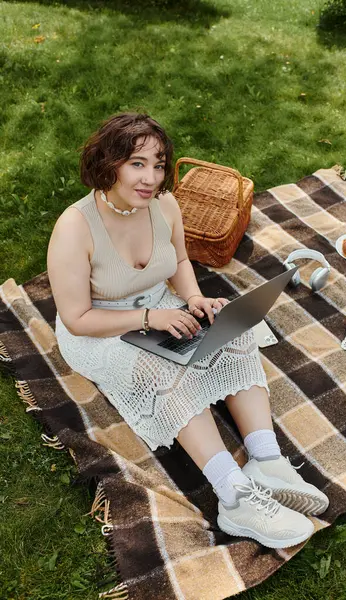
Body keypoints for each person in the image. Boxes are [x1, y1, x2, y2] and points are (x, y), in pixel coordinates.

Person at [48, 112, 329, 550]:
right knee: (163, 371)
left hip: (159, 307)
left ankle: (267, 461)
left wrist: (194, 299)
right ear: (108, 163)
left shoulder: (165, 205)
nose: (151, 177)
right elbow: (76, 319)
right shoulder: (73, 227)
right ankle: (234, 496)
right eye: (137, 163)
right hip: (100, 330)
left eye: (158, 165)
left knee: (234, 330)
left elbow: (179, 262)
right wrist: (148, 320)